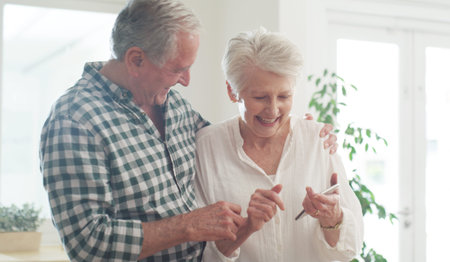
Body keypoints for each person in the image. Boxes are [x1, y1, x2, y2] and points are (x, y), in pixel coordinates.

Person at [39, 1, 337, 261]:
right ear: (136, 60)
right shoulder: (74, 121)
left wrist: (297, 130)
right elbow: (88, 244)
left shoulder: (174, 106)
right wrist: (187, 225)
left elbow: (230, 140)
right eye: (177, 69)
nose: (187, 80)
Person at [194, 27, 364, 262]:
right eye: (260, 97)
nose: (273, 110)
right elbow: (197, 253)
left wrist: (332, 220)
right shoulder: (207, 148)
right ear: (232, 91)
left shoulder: (319, 141)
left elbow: (350, 248)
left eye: (284, 97)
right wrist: (245, 229)